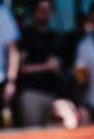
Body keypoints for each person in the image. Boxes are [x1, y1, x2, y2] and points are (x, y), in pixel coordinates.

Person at [16, 0, 65, 128]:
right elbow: (20, 67)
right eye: (40, 10)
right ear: (33, 12)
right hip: (31, 93)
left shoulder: (56, 38)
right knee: (33, 134)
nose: (44, 13)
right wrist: (46, 66)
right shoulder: (24, 35)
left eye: (47, 9)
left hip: (52, 93)